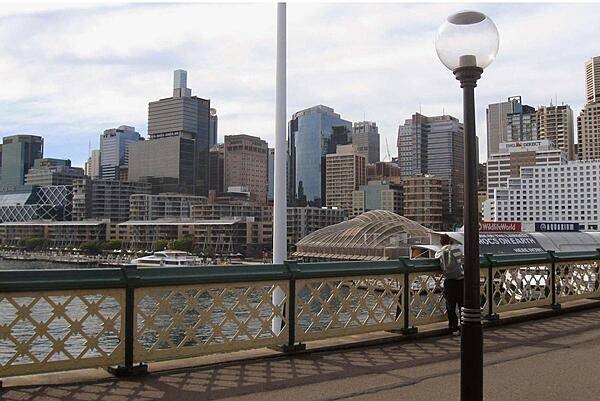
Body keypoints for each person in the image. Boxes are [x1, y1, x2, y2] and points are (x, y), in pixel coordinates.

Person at [435, 234, 464, 336]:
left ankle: (453, 327)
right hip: (460, 280)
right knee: (462, 305)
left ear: (441, 242)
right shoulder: (456, 250)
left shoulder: (440, 252)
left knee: (450, 306)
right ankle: (464, 326)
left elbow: (437, 259)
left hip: (449, 281)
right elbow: (461, 261)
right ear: (450, 241)